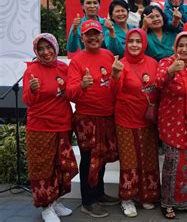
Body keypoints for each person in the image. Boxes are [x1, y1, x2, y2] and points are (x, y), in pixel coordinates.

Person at [66, 20, 120, 218]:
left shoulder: (107, 55)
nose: (93, 38)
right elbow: (70, 94)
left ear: (102, 36)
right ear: (82, 38)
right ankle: (88, 201)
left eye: (96, 34)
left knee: (103, 157)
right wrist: (82, 85)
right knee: (89, 159)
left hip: (107, 115)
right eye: (88, 35)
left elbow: (115, 85)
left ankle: (99, 193)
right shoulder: (77, 61)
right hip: (86, 118)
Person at [23, 33, 78, 222]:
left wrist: (83, 86)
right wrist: (32, 89)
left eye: (49, 48)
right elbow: (27, 100)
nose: (46, 52)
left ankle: (55, 201)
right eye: (41, 49)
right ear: (36, 52)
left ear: (55, 48)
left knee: (60, 166)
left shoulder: (64, 68)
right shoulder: (32, 70)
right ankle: (45, 206)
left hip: (62, 125)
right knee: (42, 168)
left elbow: (71, 93)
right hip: (40, 127)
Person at [155, 32, 187, 219]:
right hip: (172, 123)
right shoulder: (166, 63)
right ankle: (167, 202)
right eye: (181, 45)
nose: (184, 49)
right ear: (175, 47)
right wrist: (170, 71)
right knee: (173, 164)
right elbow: (158, 83)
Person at [110, 29, 160, 218]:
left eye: (138, 41)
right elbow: (113, 93)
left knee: (148, 159)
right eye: (131, 41)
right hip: (125, 121)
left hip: (147, 121)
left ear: (144, 43)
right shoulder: (120, 65)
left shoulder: (153, 63)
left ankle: (147, 196)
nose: (134, 45)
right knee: (129, 161)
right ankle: (127, 198)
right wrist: (115, 75)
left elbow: (158, 87)